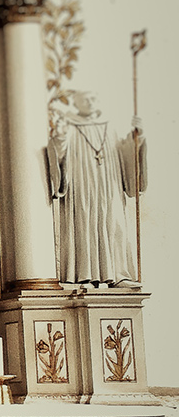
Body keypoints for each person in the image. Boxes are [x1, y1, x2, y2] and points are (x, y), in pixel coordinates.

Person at [47, 90, 147, 286]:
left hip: (109, 184)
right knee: (83, 222)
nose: (90, 102)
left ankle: (120, 275)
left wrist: (137, 137)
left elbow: (127, 152)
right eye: (84, 99)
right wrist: (59, 138)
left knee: (114, 224)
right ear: (76, 102)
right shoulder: (70, 125)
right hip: (82, 185)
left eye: (93, 98)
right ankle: (82, 275)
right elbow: (59, 152)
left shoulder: (110, 126)